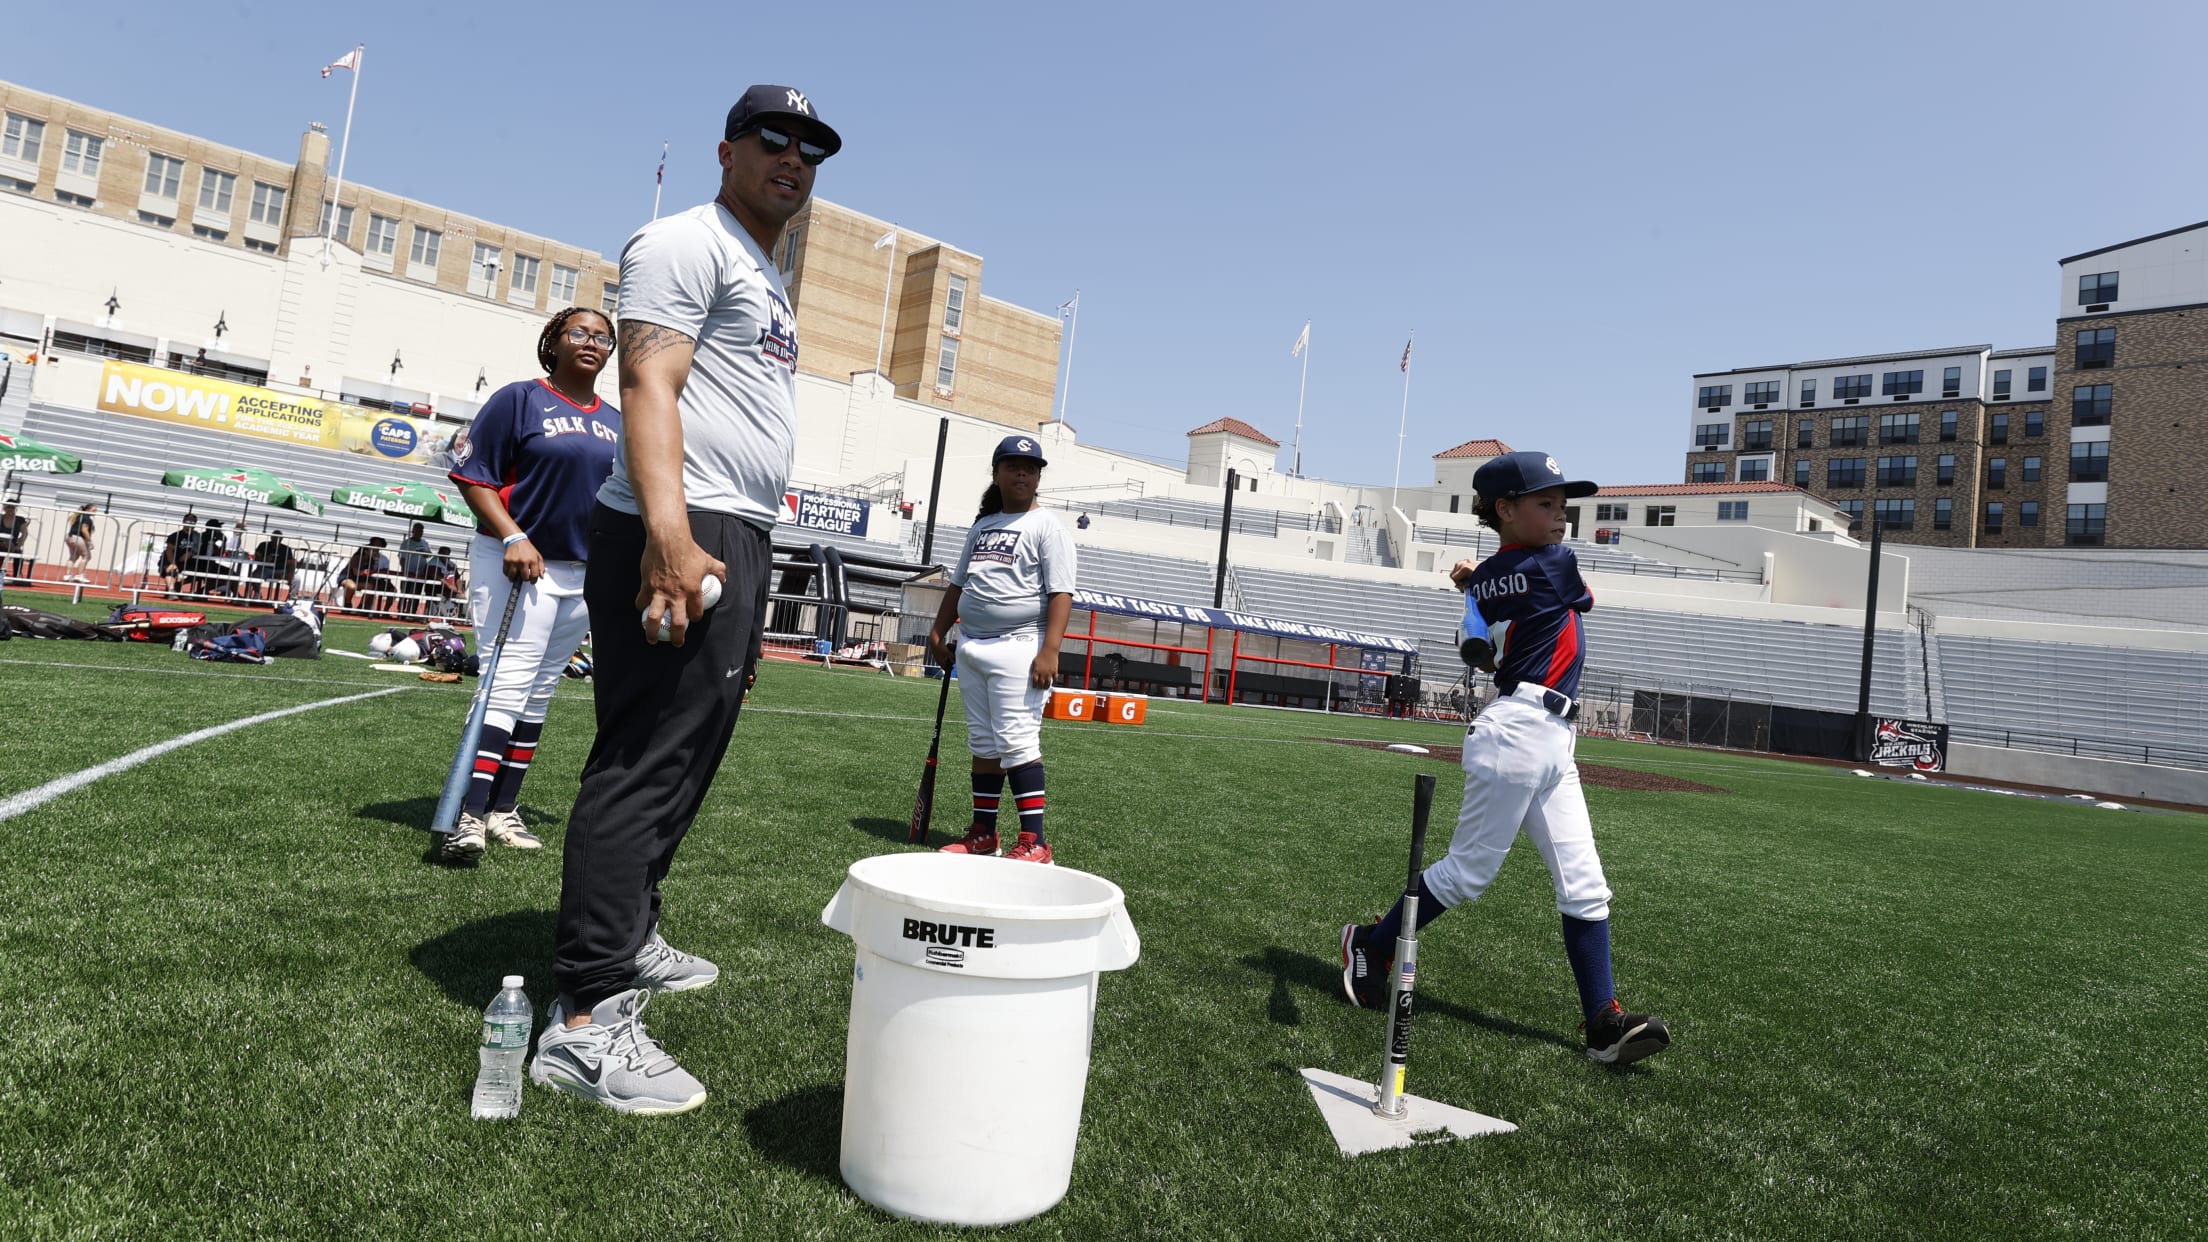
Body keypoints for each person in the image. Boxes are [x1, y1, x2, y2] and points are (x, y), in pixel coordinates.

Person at [530, 84, 840, 1117]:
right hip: (683, 523)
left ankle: (626, 930)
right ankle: (585, 1016)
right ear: (727, 150)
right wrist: (670, 538)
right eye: (774, 138)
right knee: (645, 757)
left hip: (733, 527)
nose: (794, 158)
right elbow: (648, 387)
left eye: (811, 149)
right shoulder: (680, 241)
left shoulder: (763, 266)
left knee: (690, 754)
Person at [1338, 451, 1671, 1067]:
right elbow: (1579, 601)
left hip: (1546, 735)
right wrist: (1486, 576)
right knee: (1467, 873)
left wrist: (1479, 579)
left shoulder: (1491, 578)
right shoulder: (1556, 561)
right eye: (1546, 504)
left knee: (1586, 884)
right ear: (1505, 509)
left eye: (1562, 506)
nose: (1561, 517)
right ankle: (1370, 944)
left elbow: (1484, 642)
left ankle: (1603, 1022)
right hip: (1520, 729)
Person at [440, 306, 623, 862]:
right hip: (516, 560)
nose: (591, 342)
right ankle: (467, 817)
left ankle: (502, 809)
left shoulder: (617, 419)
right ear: (554, 341)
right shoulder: (520, 398)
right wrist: (514, 534)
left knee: (540, 689)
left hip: (583, 573)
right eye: (579, 332)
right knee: (505, 680)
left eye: (603, 336)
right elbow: (473, 476)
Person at [925, 435, 1077, 864]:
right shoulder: (982, 526)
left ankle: (1035, 842)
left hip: (1020, 645)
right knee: (984, 744)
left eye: (1031, 468)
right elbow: (959, 584)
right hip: (972, 645)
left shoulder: (1047, 526)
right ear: (997, 473)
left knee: (1017, 742)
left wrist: (1050, 649)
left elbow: (1061, 592)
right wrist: (938, 632)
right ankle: (984, 834)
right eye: (1013, 466)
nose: (1023, 473)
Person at [340, 537, 390, 612]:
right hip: (348, 578)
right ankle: (348, 603)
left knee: (371, 586)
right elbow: (355, 572)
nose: (374, 552)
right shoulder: (357, 558)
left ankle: (361, 606)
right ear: (366, 551)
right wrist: (365, 572)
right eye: (372, 551)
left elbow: (373, 571)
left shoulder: (372, 561)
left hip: (361, 580)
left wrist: (375, 563)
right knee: (352, 586)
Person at [162, 514, 201, 596]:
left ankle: (177, 584)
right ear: (183, 522)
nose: (190, 523)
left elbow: (198, 549)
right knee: (171, 571)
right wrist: (173, 563)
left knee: (197, 573)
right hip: (173, 559)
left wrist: (190, 553)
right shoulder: (175, 535)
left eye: (192, 522)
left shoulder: (197, 537)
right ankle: (171, 591)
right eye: (188, 521)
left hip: (188, 561)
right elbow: (169, 550)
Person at [250, 529, 295, 601]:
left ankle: (292, 597)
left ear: (282, 539)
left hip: (281, 571)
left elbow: (291, 563)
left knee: (297, 579)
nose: (276, 539)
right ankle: (258, 592)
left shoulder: (286, 549)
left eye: (278, 538)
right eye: (274, 537)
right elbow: (256, 557)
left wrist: (290, 573)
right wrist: (264, 559)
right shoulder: (264, 545)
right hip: (265, 569)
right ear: (271, 537)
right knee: (254, 576)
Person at [398, 522, 433, 611]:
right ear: (413, 531)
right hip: (408, 572)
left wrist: (426, 553)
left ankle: (412, 612)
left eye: (421, 531)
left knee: (416, 593)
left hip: (420, 572)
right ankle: (401, 610)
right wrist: (404, 571)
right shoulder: (406, 543)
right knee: (405, 592)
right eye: (417, 530)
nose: (420, 532)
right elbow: (402, 558)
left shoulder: (424, 542)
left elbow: (429, 554)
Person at [63, 502, 97, 584]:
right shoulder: (87, 518)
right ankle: (80, 575)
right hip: (77, 537)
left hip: (69, 536)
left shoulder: (79, 516)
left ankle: (67, 575)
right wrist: (89, 541)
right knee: (86, 556)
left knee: (73, 556)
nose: (95, 512)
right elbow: (84, 530)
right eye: (94, 510)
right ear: (88, 509)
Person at [0, 502, 29, 584]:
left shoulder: (20, 520)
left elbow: (24, 534)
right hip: (0, 543)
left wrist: (18, 545)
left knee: (18, 553)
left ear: (15, 509)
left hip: (12, 545)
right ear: (4, 508)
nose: (10, 509)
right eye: (8, 507)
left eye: (12, 507)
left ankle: (16, 577)